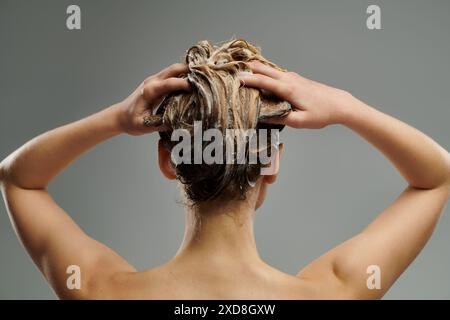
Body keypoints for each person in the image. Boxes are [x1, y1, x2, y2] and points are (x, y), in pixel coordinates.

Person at [1, 39, 449, 299]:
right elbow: (436, 178)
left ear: (168, 160)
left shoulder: (104, 292)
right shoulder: (332, 293)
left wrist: (117, 118)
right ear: (270, 160)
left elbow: (19, 179)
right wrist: (346, 107)